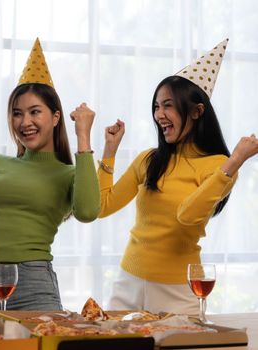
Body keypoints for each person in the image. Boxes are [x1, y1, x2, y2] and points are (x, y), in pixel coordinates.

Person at [0, 38, 100, 317]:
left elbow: (87, 211)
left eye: (35, 112)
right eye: (17, 114)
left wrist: (83, 135)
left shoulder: (70, 174)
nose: (25, 122)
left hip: (32, 282)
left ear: (56, 117)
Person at [98, 39, 258, 314]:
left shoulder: (220, 167)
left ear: (197, 111)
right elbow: (101, 206)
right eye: (157, 106)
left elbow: (187, 216)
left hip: (178, 290)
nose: (160, 115)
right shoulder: (149, 159)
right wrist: (110, 151)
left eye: (168, 105)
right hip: (128, 282)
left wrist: (235, 161)